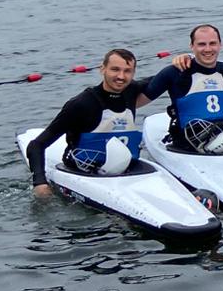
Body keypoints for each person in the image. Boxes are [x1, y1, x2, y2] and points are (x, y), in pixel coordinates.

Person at [27, 48, 147, 195]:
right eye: (115, 69)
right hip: (83, 171)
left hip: (125, 170)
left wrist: (176, 62)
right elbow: (36, 145)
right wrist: (40, 182)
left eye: (127, 71)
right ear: (102, 69)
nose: (121, 76)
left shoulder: (132, 90)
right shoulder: (81, 104)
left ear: (133, 73)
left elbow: (163, 79)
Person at [141, 24, 223, 151]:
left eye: (212, 43)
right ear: (192, 46)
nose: (208, 49)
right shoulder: (175, 73)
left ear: (220, 45)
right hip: (186, 147)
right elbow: (139, 100)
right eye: (201, 44)